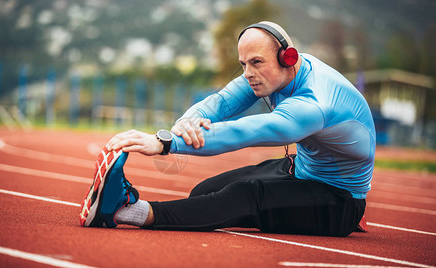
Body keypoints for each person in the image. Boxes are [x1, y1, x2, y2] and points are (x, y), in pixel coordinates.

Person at [79, 21, 375, 236]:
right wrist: (185, 124)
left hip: (338, 199)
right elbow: (219, 103)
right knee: (204, 192)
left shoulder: (315, 104)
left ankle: (129, 211)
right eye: (244, 63)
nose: (249, 73)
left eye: (256, 62)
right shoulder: (272, 74)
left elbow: (247, 131)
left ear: (289, 58)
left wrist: (166, 143)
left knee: (244, 196)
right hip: (300, 169)